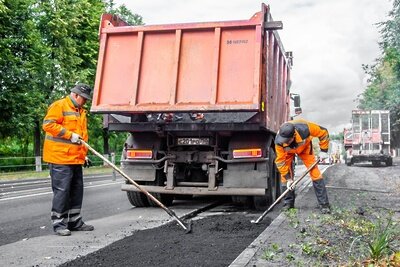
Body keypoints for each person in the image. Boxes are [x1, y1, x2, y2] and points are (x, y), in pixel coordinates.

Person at [42, 83, 94, 236]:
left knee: (77, 191)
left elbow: (81, 138)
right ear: (76, 94)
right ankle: (59, 224)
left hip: (75, 158)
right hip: (59, 158)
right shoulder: (60, 105)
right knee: (62, 192)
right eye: (84, 98)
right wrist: (69, 134)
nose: (85, 101)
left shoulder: (80, 111)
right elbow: (48, 125)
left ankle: (74, 221)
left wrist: (83, 155)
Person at [274, 119, 331, 214]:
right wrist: (288, 179)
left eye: (287, 140)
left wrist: (323, 151)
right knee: (285, 177)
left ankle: (324, 204)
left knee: (315, 173)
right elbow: (280, 162)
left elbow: (323, 132)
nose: (285, 142)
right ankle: (288, 203)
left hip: (305, 149)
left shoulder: (305, 128)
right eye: (284, 140)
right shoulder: (279, 142)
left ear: (293, 136)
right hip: (287, 152)